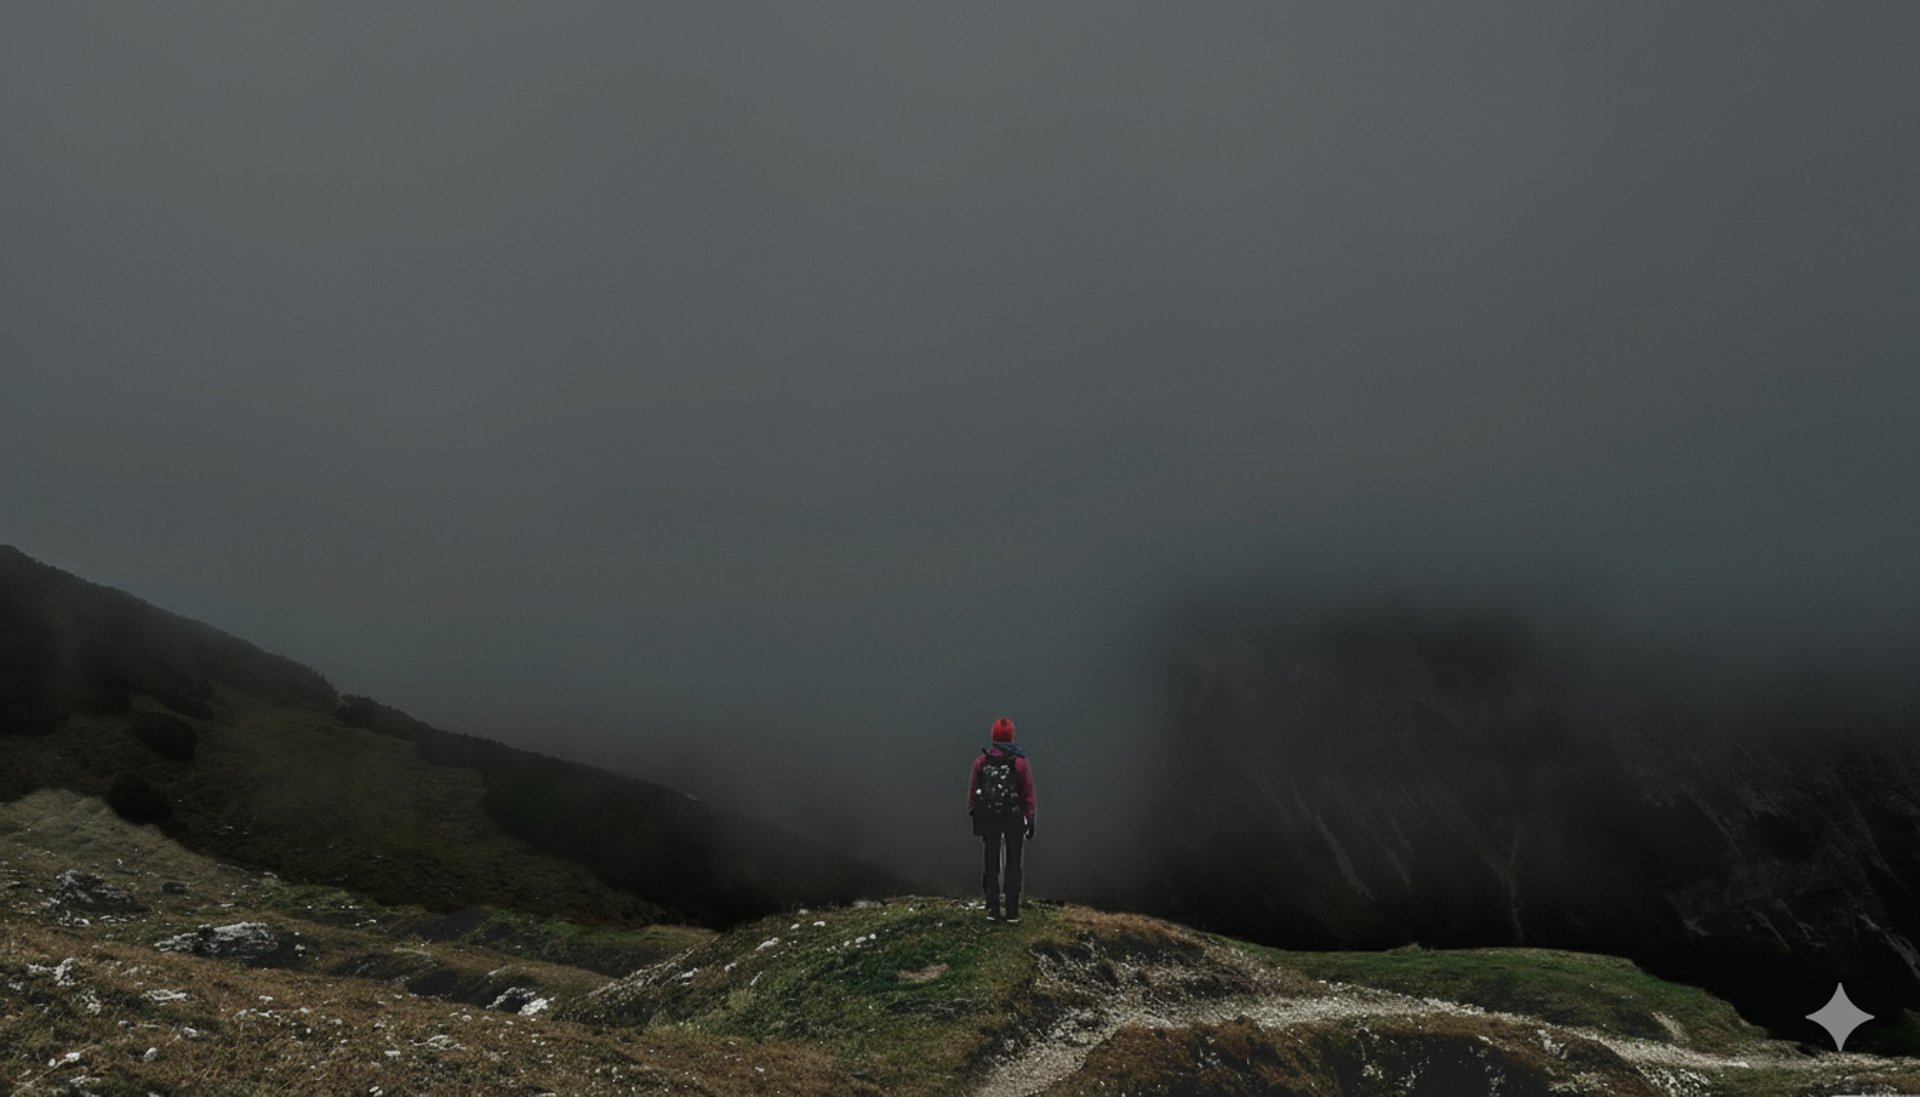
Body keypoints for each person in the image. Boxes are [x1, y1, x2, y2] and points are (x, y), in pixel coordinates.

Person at [968, 716, 1036, 923]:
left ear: (993, 736)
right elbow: (1027, 793)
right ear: (1011, 736)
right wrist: (1030, 817)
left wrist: (974, 813)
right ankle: (1012, 911)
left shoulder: (982, 761)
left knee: (991, 862)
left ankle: (993, 908)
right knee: (1013, 863)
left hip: (989, 817)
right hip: (1014, 817)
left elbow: (973, 791)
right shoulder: (1019, 762)